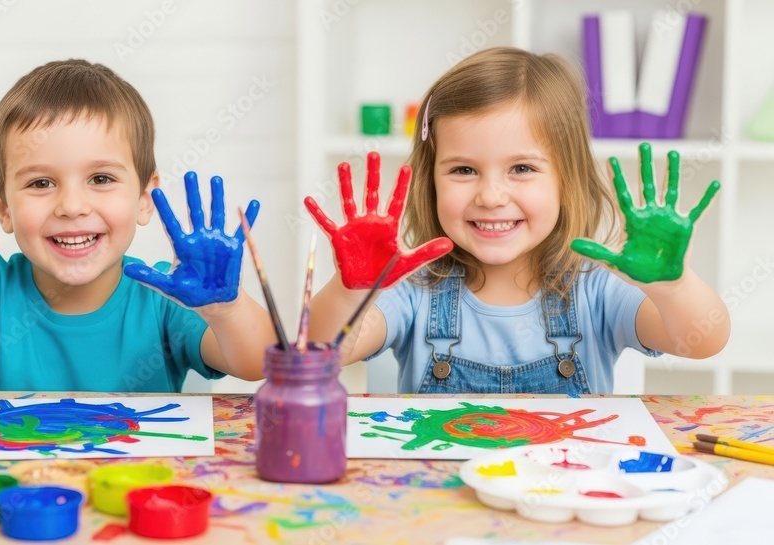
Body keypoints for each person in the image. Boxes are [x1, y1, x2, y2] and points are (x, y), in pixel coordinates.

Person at [0, 59, 273, 391]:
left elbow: (257, 364)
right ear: (2, 207)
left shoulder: (164, 297)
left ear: (144, 197)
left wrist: (226, 310)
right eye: (41, 182)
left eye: (100, 178)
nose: (72, 205)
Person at [305, 47, 729, 394]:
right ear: (430, 183)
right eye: (463, 170)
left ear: (568, 179)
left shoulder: (598, 290)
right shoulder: (412, 293)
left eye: (522, 169)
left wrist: (673, 288)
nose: (490, 196)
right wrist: (348, 291)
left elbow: (702, 341)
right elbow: (322, 351)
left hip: (563, 488)